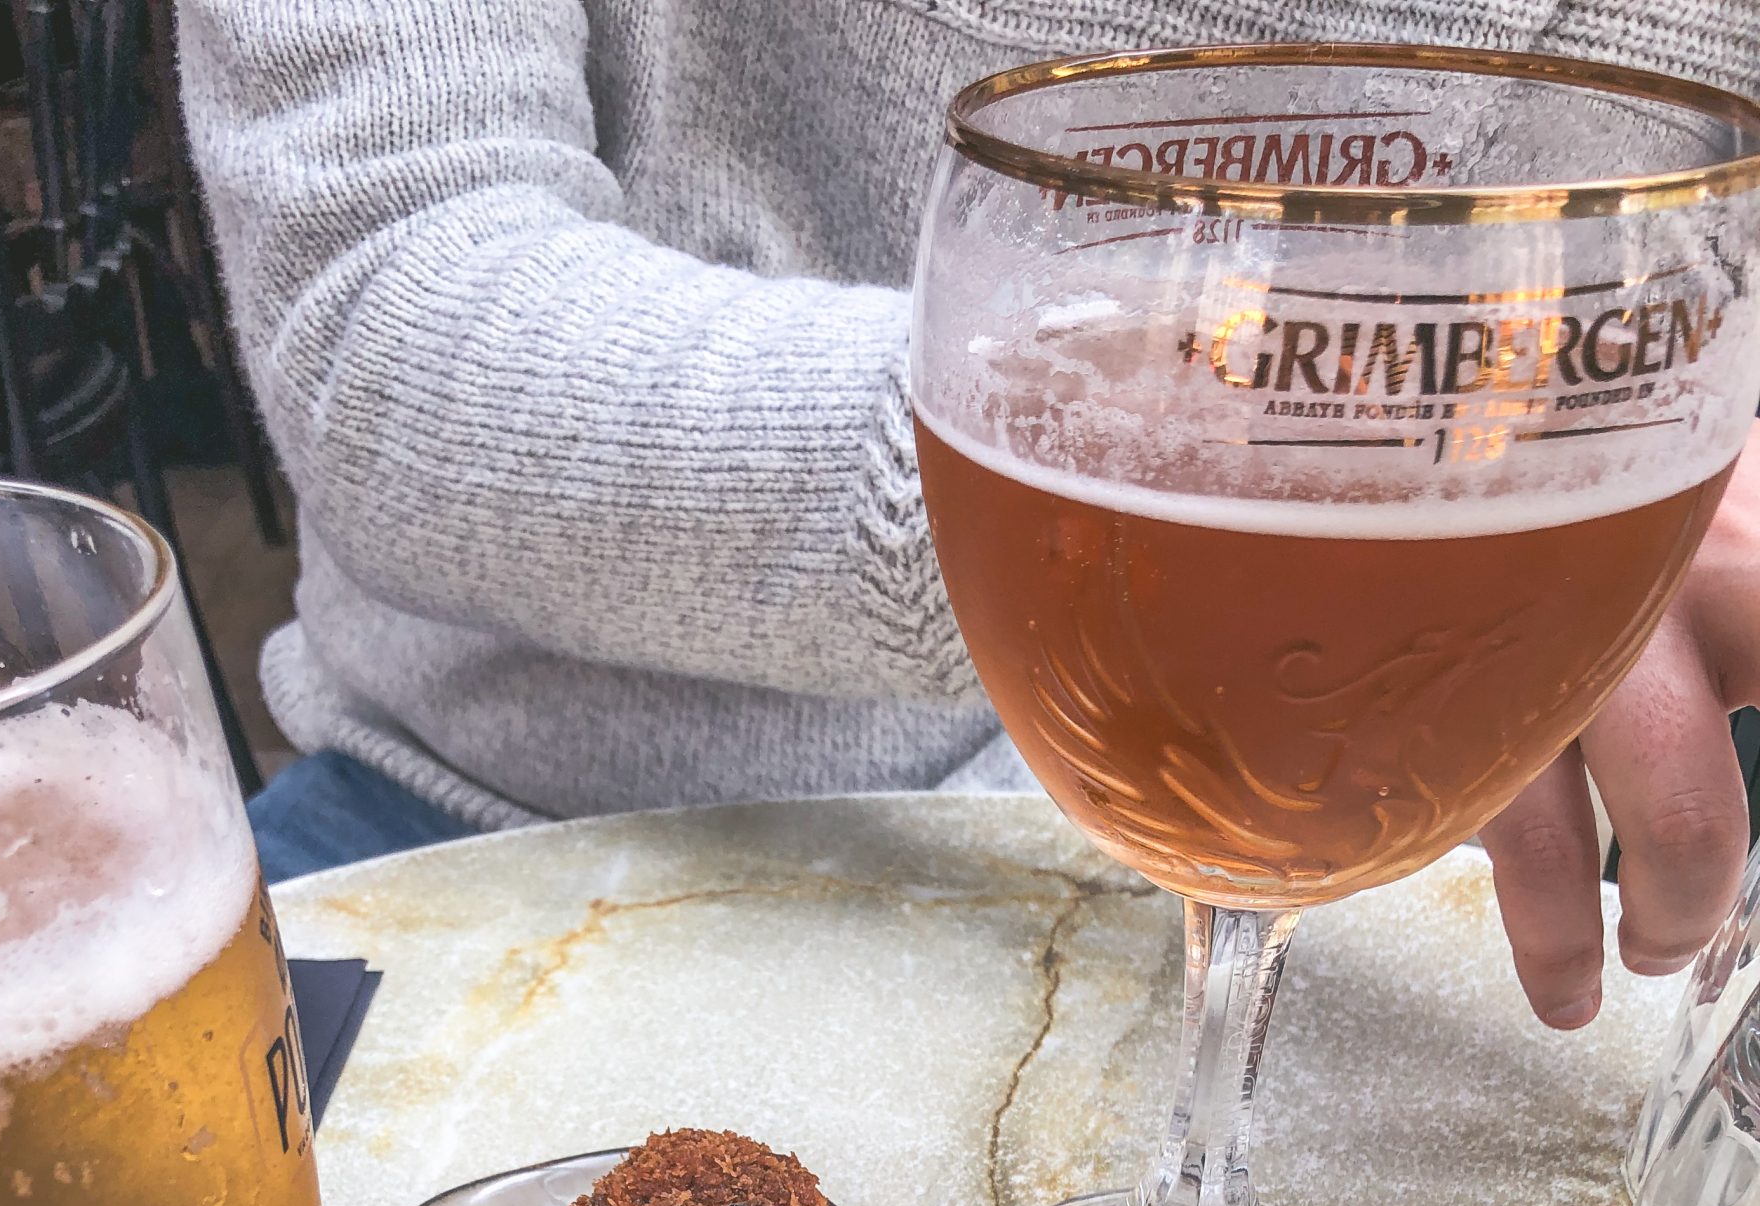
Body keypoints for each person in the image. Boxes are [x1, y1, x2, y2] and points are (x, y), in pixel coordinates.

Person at [175, 0, 1760, 1029]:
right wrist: (1293, 507)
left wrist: (1665, 482)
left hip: (1404, 887)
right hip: (493, 813)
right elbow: (381, 312)